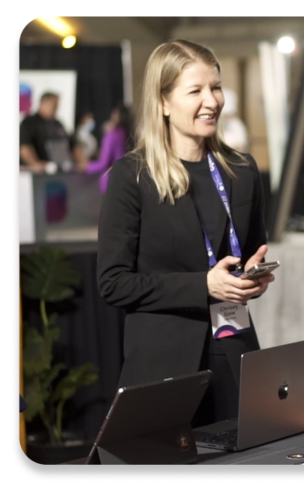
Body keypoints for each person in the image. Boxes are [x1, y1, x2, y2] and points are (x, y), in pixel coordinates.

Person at [96, 40, 274, 426]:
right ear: (162, 102)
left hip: (235, 350)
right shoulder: (133, 177)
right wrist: (203, 286)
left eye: (216, 87)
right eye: (195, 91)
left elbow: (246, 254)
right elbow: (113, 284)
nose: (211, 101)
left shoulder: (242, 170)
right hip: (163, 362)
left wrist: (251, 279)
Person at [19, 92, 86, 173]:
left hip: (59, 170)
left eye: (57, 105)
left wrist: (82, 162)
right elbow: (24, 147)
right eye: (53, 105)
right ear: (43, 103)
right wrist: (35, 164)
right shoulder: (29, 122)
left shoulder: (58, 123)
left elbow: (72, 143)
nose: (56, 108)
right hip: (38, 173)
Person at [83, 103, 132, 193]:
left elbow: (103, 163)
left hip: (111, 182)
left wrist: (86, 166)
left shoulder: (112, 136)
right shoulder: (129, 135)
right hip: (127, 180)